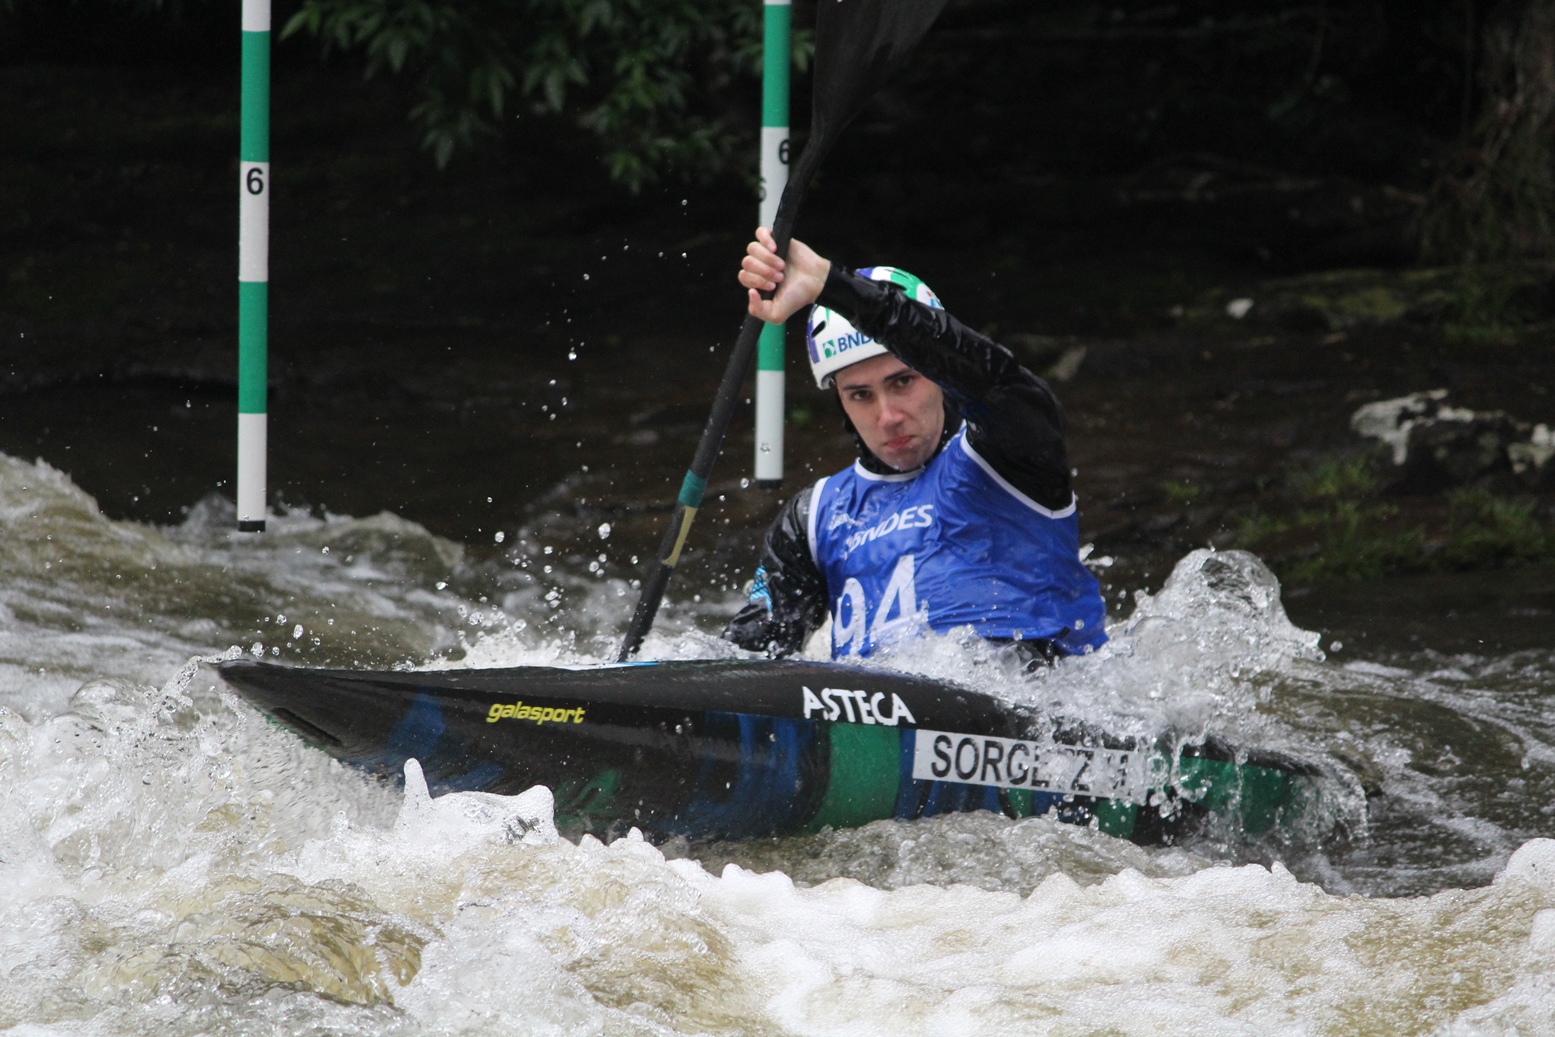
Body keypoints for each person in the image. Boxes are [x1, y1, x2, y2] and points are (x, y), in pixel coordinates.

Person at [722, 228, 1108, 663]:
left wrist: (834, 287)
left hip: (1043, 710)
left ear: (938, 373)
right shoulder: (811, 521)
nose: (887, 416)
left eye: (903, 381)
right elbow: (747, 663)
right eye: (860, 395)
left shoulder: (1010, 450)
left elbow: (990, 376)